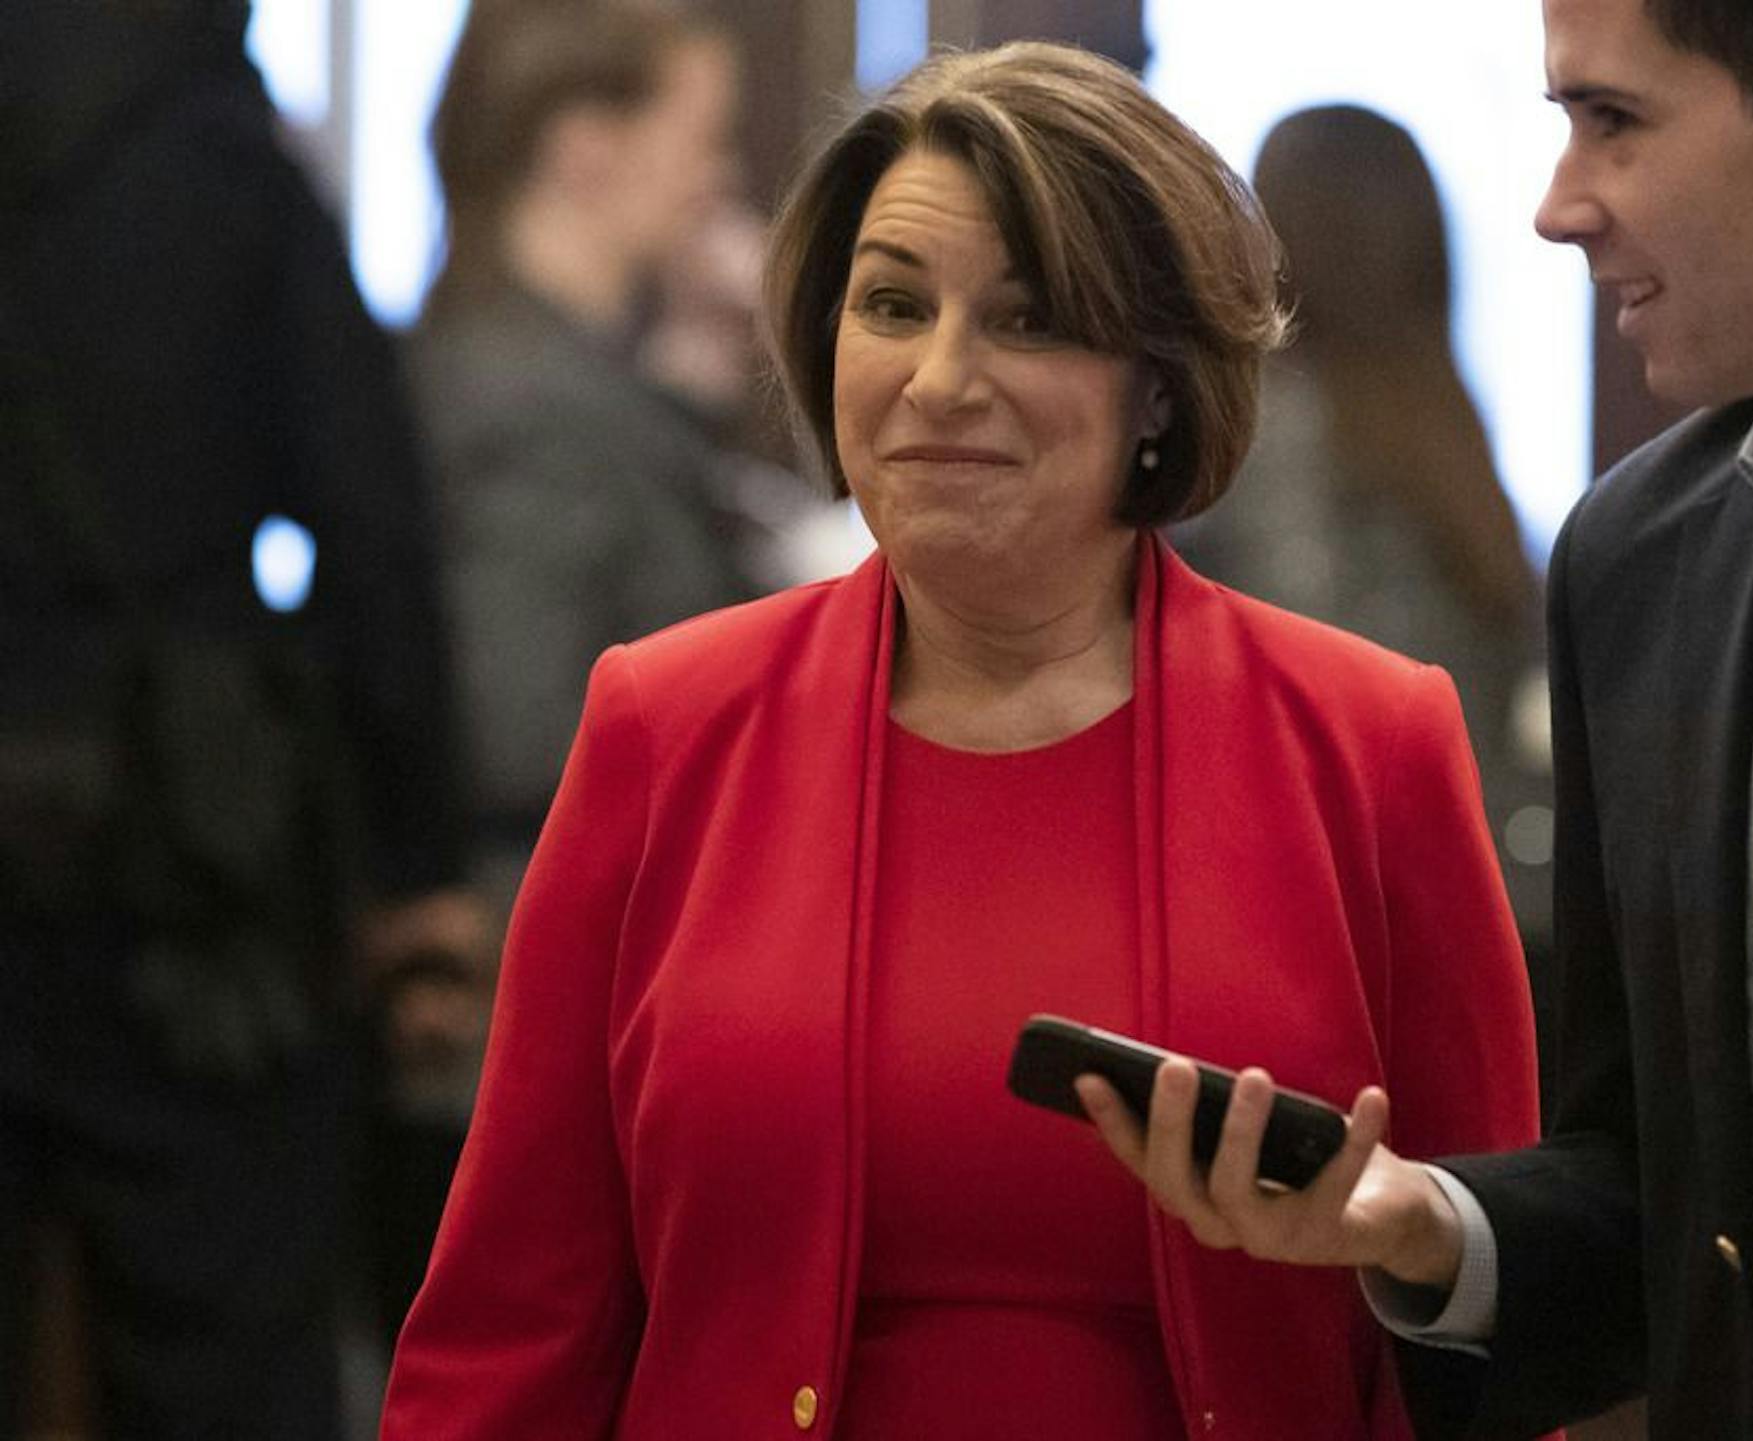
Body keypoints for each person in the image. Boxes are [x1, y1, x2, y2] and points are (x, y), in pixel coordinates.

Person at [381, 40, 1539, 1440]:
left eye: (1028, 319)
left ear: (1156, 387)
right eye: (890, 305)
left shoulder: (1368, 746)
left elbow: (1499, 1317)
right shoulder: (665, 726)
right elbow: (513, 1326)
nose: (937, 379)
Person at [1082, 1, 1753, 1437]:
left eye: (1614, 121)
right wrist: (1432, 1228)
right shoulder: (1639, 559)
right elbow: (1649, 1179)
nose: (1554, 207)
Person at [0, 1, 483, 1435]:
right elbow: (371, 528)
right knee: (225, 1348)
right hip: (196, 863)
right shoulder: (225, 167)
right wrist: (417, 862)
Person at [412, 0, 807, 918]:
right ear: (585, 146)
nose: (719, 179)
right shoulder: (526, 406)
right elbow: (520, 731)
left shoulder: (534, 370)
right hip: (564, 925)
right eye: (701, 138)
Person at [1179, 102, 1552, 1007]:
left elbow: (1316, 682)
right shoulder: (1448, 437)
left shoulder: (1273, 435)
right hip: (1491, 910)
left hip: (1326, 927)